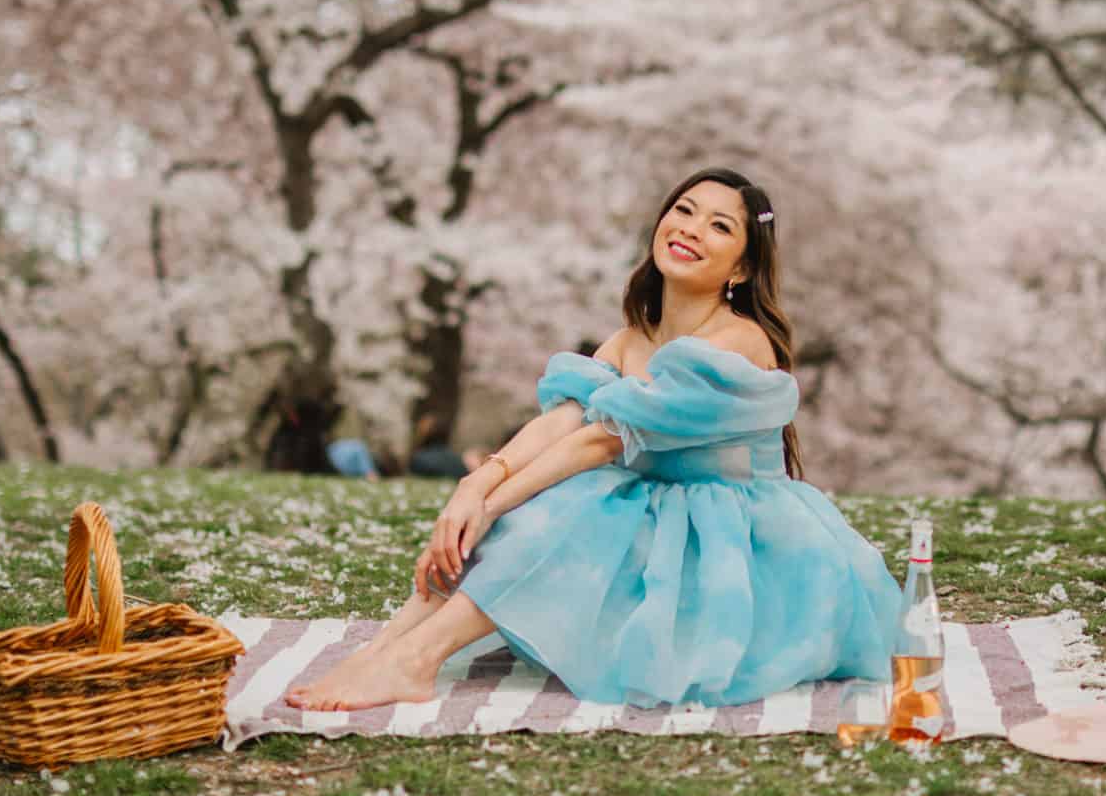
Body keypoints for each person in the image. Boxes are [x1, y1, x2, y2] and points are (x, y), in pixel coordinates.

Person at [287, 169, 902, 712]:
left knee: (561, 504)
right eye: (683, 211)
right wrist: (476, 484)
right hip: (665, 512)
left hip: (735, 545)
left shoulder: (737, 343)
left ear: (741, 267)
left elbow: (600, 441)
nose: (689, 229)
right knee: (531, 498)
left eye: (719, 226)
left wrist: (491, 503)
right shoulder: (633, 337)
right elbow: (561, 422)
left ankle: (416, 661)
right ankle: (388, 645)